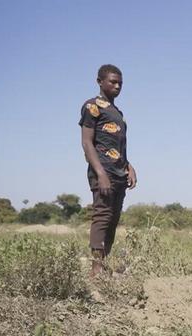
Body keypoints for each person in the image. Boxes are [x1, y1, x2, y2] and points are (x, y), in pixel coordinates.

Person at [79, 64, 137, 277]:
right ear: (100, 82)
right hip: (102, 172)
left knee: (113, 219)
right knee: (102, 216)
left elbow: (119, 146)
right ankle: (96, 270)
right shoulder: (92, 106)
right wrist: (101, 173)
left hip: (119, 172)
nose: (117, 85)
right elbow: (87, 143)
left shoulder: (117, 113)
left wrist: (129, 166)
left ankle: (104, 264)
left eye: (120, 83)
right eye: (112, 81)